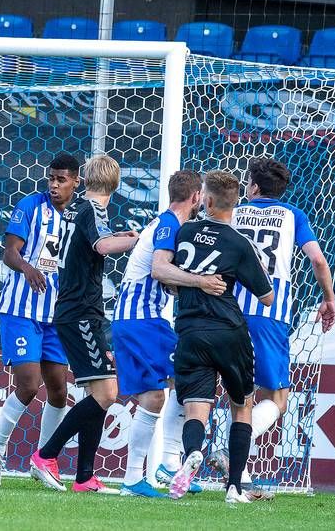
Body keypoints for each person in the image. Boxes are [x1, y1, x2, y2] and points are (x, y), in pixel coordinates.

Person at [208, 158, 335, 493]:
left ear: (252, 186)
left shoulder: (234, 212)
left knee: (241, 395)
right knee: (277, 399)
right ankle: (227, 447)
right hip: (269, 314)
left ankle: (237, 472)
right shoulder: (294, 215)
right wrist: (329, 297)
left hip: (227, 310)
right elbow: (318, 259)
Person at [155, 171, 274, 503]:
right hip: (229, 332)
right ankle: (234, 487)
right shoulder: (238, 243)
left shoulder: (185, 232)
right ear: (234, 204)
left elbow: (168, 276)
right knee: (242, 407)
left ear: (205, 200)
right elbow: (267, 297)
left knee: (195, 409)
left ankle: (191, 453)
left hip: (190, 331)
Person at [28, 155, 139, 494]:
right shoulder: (91, 210)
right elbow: (103, 245)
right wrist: (141, 239)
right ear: (115, 183)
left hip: (82, 311)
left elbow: (98, 242)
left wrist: (123, 234)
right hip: (79, 314)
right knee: (107, 393)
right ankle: (45, 456)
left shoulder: (83, 210)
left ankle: (85, 477)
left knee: (98, 393)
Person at [112, 170, 219, 497]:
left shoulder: (165, 223)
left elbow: (159, 276)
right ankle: (169, 462)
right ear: (196, 197)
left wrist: (180, 286)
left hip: (133, 318)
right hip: (143, 319)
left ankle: (134, 479)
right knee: (192, 374)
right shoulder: (170, 224)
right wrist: (200, 282)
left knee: (155, 395)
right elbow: (159, 268)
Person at [0, 154, 79, 487]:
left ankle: (45, 460)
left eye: (61, 179)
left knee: (59, 389)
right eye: (51, 178)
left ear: (75, 182)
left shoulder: (80, 217)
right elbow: (9, 252)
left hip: (57, 315)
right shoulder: (31, 206)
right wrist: (27, 267)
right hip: (21, 310)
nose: (54, 185)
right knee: (28, 384)